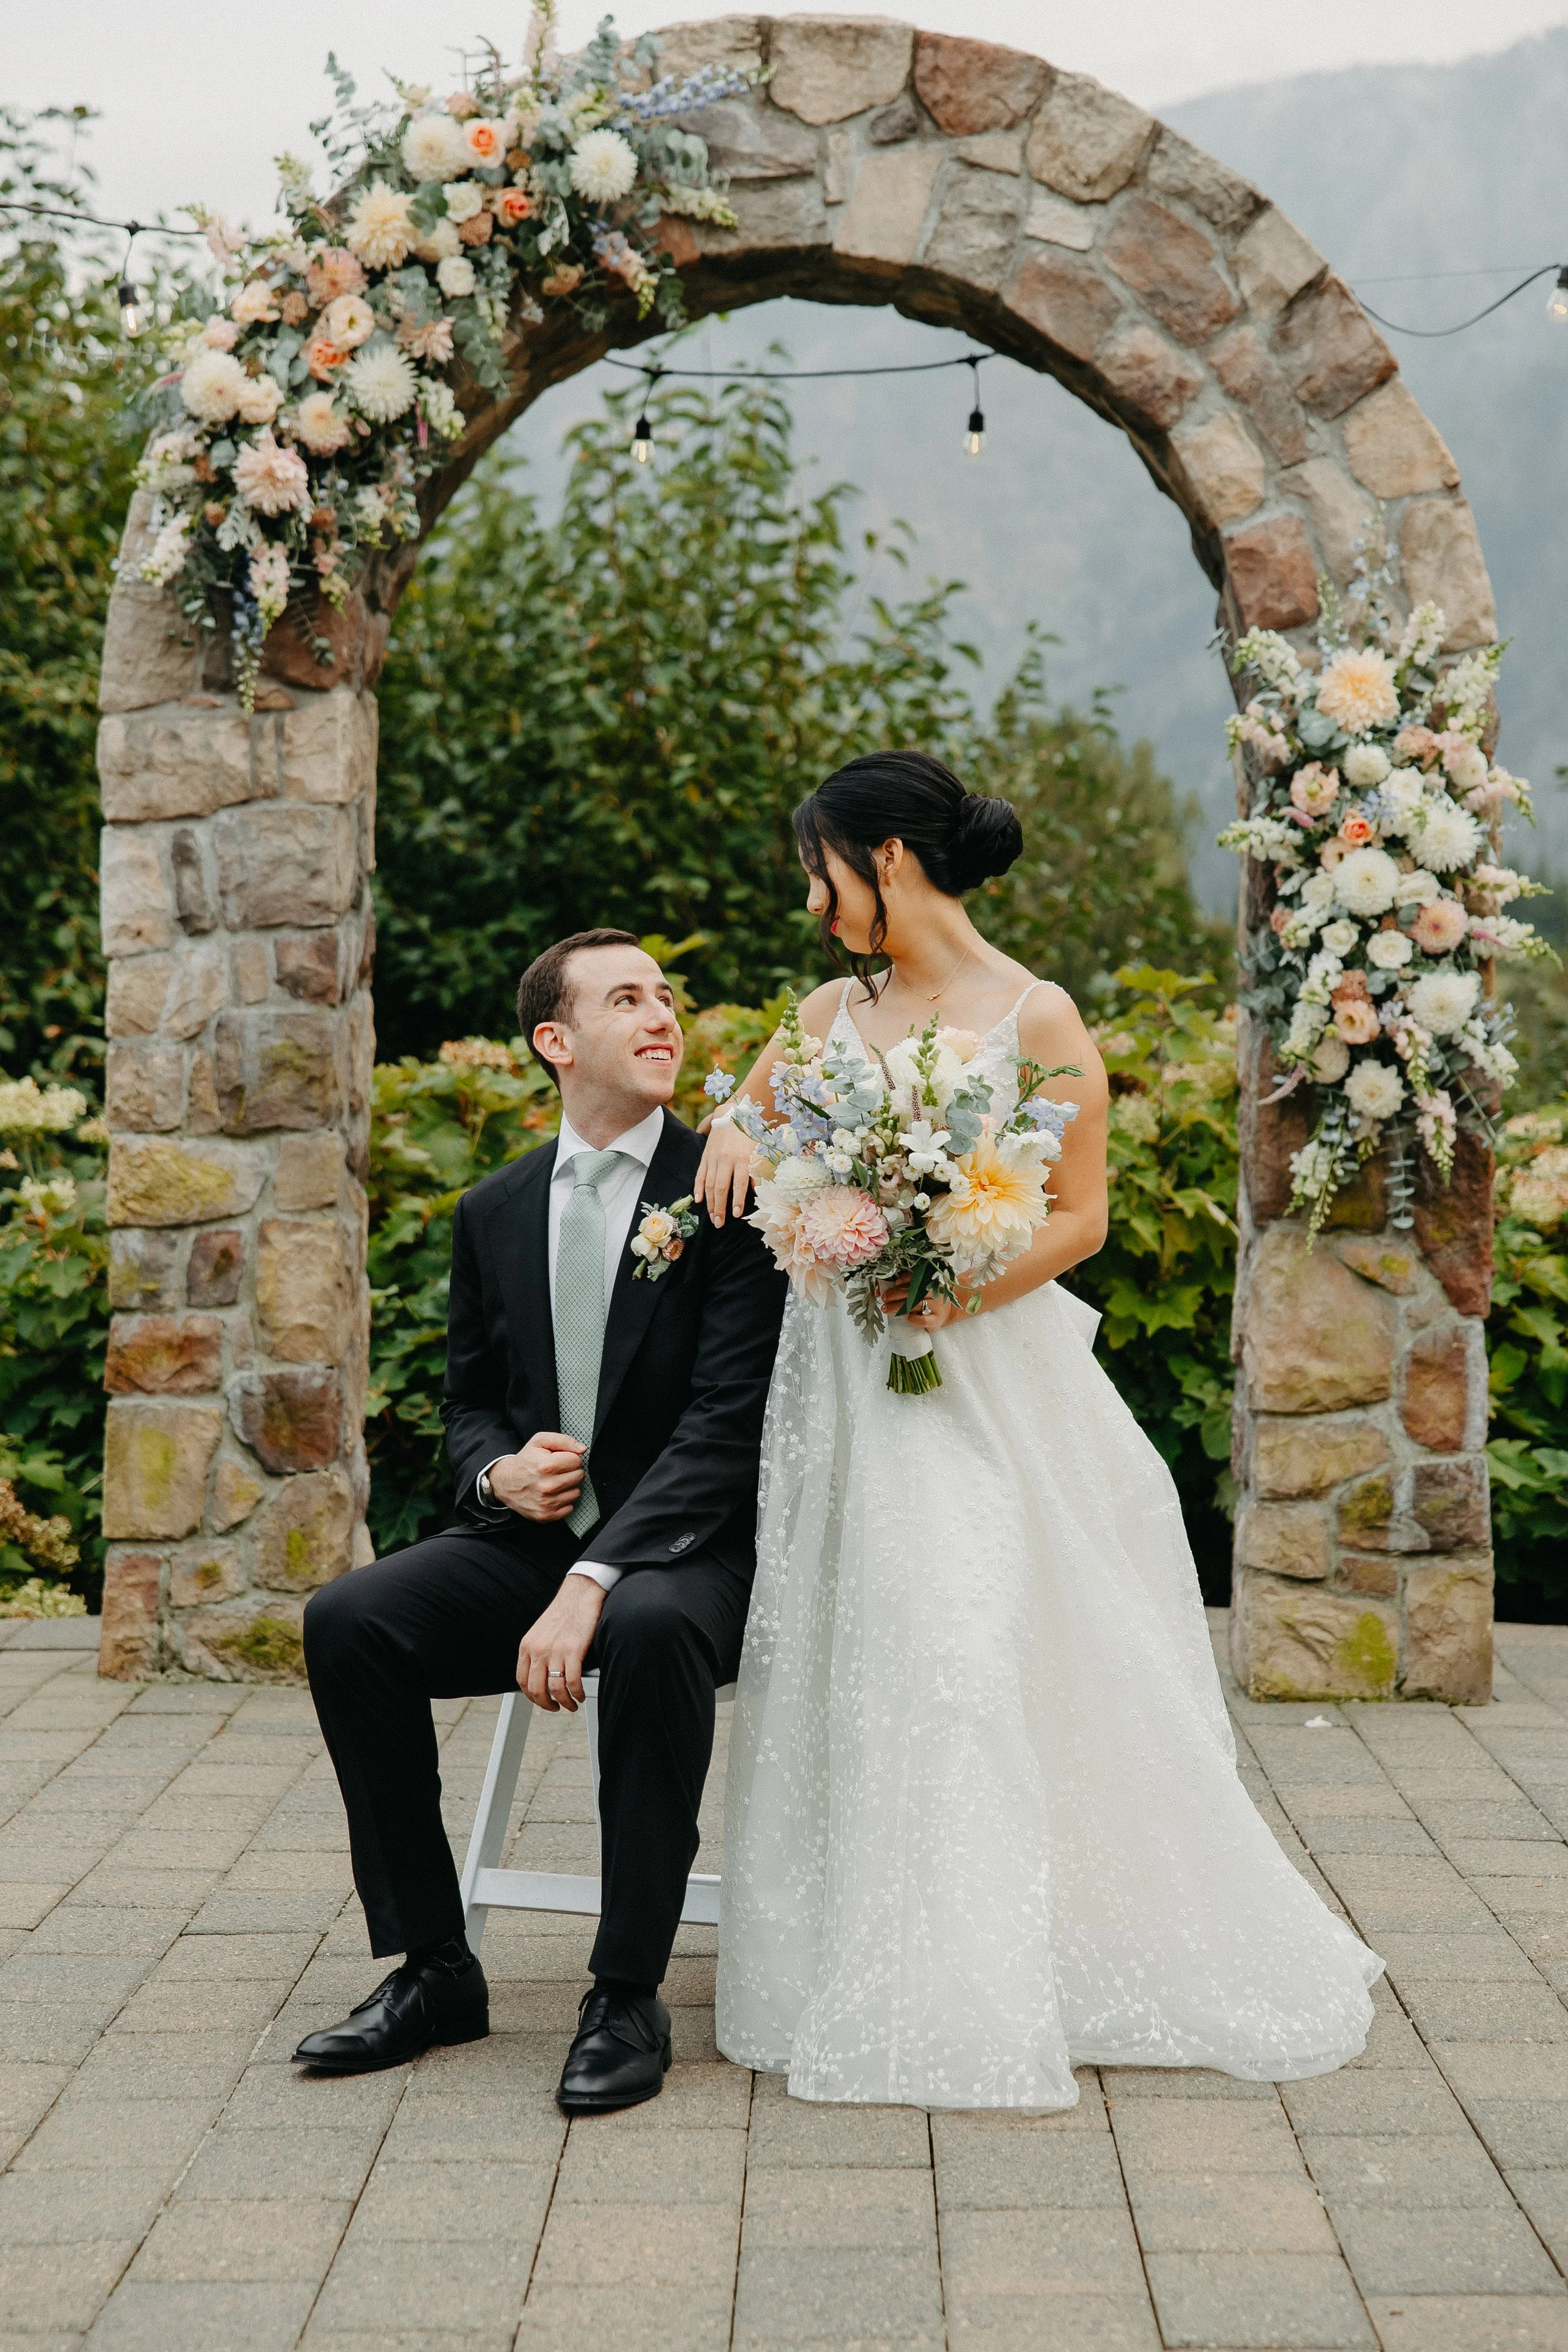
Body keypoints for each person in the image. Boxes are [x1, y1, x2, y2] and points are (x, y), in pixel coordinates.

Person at [696, 751, 1382, 2111]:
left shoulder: (1035, 1013)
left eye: (818, 872)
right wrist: (730, 1127)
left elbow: (1078, 1215)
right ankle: (859, 1952)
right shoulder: (829, 1008)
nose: (812, 901)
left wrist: (938, 1288)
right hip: (842, 1392)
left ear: (883, 859)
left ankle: (972, 1978)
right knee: (862, 1646)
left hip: (976, 1379)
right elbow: (758, 1118)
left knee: (956, 1646)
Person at [295, 931, 788, 2112]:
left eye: (667, 996)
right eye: (627, 999)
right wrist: (496, 1478)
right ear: (554, 1042)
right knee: (346, 1619)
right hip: (530, 1545)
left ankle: (625, 1991)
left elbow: (728, 1427)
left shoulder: (727, 1191)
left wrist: (599, 1575)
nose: (662, 1015)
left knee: (655, 1631)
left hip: (687, 1553)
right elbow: (469, 1407)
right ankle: (434, 1969)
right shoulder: (494, 1206)